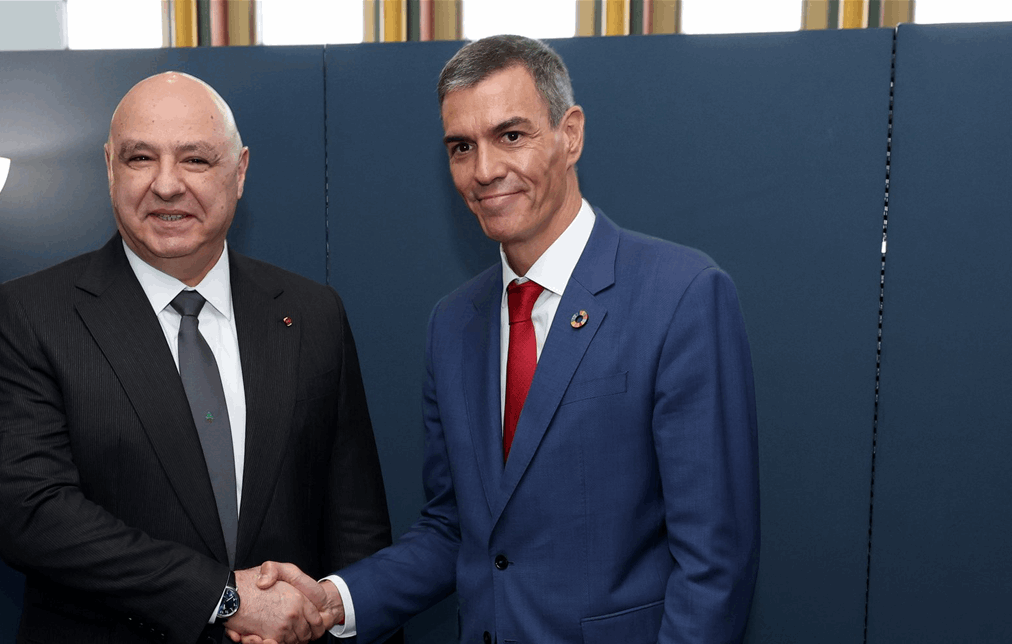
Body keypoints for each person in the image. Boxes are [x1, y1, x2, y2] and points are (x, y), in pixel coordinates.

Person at [248, 34, 760, 644]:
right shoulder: (453, 324)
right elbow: (454, 529)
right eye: (462, 147)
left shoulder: (681, 296)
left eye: (511, 135)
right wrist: (333, 601)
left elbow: (714, 567)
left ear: (570, 134)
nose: (485, 170)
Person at [0, 71, 394, 644]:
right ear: (110, 167)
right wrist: (222, 598)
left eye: (195, 159)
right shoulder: (30, 315)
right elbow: (31, 513)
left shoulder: (312, 313)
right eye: (140, 158)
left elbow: (355, 523)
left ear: (239, 172)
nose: (166, 185)